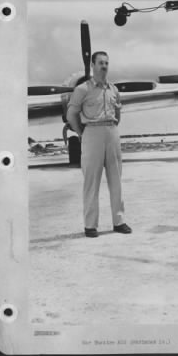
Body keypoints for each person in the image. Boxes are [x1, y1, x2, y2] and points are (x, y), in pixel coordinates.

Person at [67, 51, 132, 238]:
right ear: (92, 65)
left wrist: (112, 127)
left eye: (106, 63)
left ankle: (119, 222)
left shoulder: (114, 89)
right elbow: (72, 114)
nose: (104, 66)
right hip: (91, 132)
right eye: (100, 63)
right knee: (91, 181)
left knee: (116, 179)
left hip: (111, 132)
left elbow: (118, 113)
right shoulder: (82, 89)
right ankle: (90, 225)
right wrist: (82, 133)